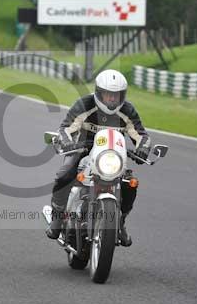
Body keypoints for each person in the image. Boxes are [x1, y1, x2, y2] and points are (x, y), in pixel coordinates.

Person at [46, 69, 151, 247]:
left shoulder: (127, 110)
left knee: (130, 183)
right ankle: (57, 219)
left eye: (116, 95)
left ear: (122, 95)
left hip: (113, 155)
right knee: (63, 175)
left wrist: (142, 149)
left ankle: (120, 221)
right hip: (82, 151)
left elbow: (141, 134)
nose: (112, 99)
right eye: (108, 94)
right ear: (98, 92)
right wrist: (67, 143)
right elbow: (65, 128)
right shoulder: (85, 104)